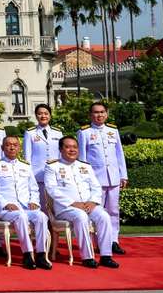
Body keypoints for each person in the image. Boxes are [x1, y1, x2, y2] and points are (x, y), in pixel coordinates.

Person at [45, 136, 117, 268]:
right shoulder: (52, 167)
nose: (72, 150)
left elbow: (96, 186)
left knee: (104, 216)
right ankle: (87, 257)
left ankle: (106, 256)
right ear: (61, 149)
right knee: (81, 216)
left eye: (74, 147)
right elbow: (51, 189)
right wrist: (73, 203)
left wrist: (93, 202)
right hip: (66, 208)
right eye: (68, 147)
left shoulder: (85, 166)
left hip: (88, 205)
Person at [0, 135, 51, 270]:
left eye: (15, 145)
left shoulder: (25, 166)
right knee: (20, 216)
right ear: (2, 148)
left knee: (42, 216)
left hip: (26, 206)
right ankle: (27, 254)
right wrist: (4, 204)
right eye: (8, 145)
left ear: (19, 148)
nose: (12, 147)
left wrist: (34, 202)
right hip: (7, 210)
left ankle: (41, 254)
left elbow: (33, 188)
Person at [77, 101, 127, 256]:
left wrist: (123, 175)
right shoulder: (84, 132)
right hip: (95, 180)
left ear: (107, 113)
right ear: (90, 115)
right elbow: (82, 159)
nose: (99, 115)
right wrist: (84, 179)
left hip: (113, 178)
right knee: (96, 212)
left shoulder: (113, 130)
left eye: (102, 112)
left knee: (113, 211)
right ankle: (97, 242)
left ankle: (113, 241)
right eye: (96, 112)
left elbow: (119, 154)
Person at [22, 103, 62, 209]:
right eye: (40, 114)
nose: (43, 116)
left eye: (46, 113)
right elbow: (27, 158)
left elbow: (61, 155)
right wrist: (29, 177)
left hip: (55, 176)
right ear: (36, 116)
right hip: (37, 176)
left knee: (56, 207)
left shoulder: (58, 133)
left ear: (50, 115)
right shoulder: (30, 133)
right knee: (41, 207)